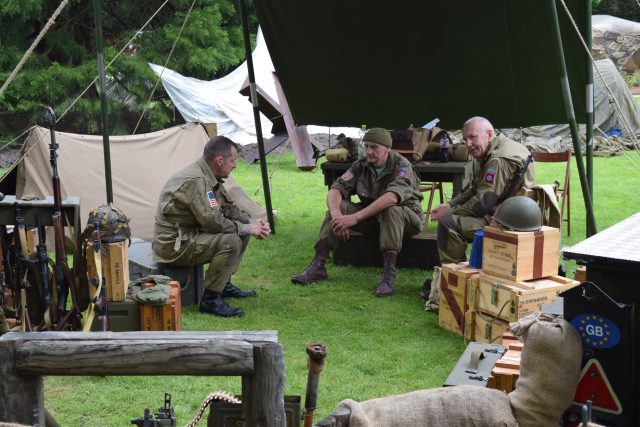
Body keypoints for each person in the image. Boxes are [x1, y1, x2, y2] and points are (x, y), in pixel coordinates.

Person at [291, 127, 424, 296]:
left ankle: (388, 275)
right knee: (339, 206)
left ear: (387, 148)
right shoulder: (360, 165)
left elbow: (392, 198)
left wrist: (354, 218)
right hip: (374, 218)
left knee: (391, 210)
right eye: (366, 146)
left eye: (374, 147)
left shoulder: (402, 166)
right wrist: (338, 217)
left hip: (406, 220)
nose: (368, 151)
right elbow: (336, 189)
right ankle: (318, 265)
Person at [152, 135, 270, 318]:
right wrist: (246, 228)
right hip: (173, 245)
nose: (235, 165)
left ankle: (223, 285)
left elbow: (228, 207)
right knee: (231, 240)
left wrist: (250, 223)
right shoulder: (197, 181)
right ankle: (210, 300)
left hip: (189, 236)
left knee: (240, 232)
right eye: (233, 161)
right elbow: (212, 222)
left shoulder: (208, 175)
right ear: (219, 160)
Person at [430, 116, 535, 265]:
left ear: (490, 134)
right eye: (465, 139)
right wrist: (450, 205)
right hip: (508, 213)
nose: (468, 144)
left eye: (473, 137)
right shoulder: (496, 149)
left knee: (448, 223)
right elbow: (475, 189)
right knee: (450, 216)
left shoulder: (497, 160)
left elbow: (481, 204)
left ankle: (452, 276)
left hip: (509, 222)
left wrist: (448, 213)